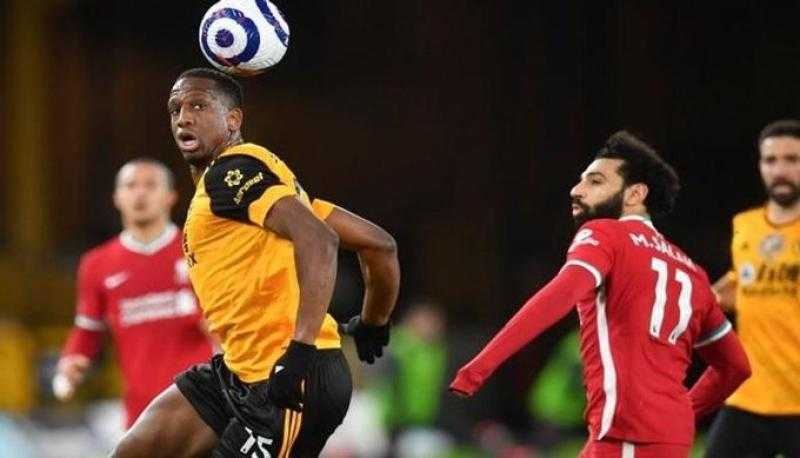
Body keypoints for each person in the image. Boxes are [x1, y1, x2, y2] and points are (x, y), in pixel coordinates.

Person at [112, 67, 400, 457]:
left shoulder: (230, 175)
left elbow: (321, 241)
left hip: (291, 380)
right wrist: (373, 322)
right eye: (175, 108)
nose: (183, 117)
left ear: (233, 120)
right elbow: (379, 246)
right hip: (238, 371)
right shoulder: (274, 190)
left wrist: (300, 351)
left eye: (198, 106)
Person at [449, 131, 751, 457]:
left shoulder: (607, 233)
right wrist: (680, 413)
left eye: (595, 181)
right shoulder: (693, 271)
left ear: (635, 193)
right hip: (658, 436)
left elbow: (561, 294)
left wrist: (477, 368)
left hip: (627, 435)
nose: (576, 190)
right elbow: (735, 367)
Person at [54, 159, 214, 428]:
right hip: (141, 414)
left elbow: (228, 323)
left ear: (170, 196)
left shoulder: (200, 252)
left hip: (202, 409)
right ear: (117, 197)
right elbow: (87, 331)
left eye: (150, 185)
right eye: (131, 186)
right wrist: (71, 364)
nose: (140, 193)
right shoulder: (97, 264)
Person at [705, 120, 800, 457]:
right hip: (750, 397)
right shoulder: (744, 226)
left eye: (792, 159)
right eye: (771, 160)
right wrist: (703, 299)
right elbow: (739, 285)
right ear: (760, 166)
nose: (780, 170)